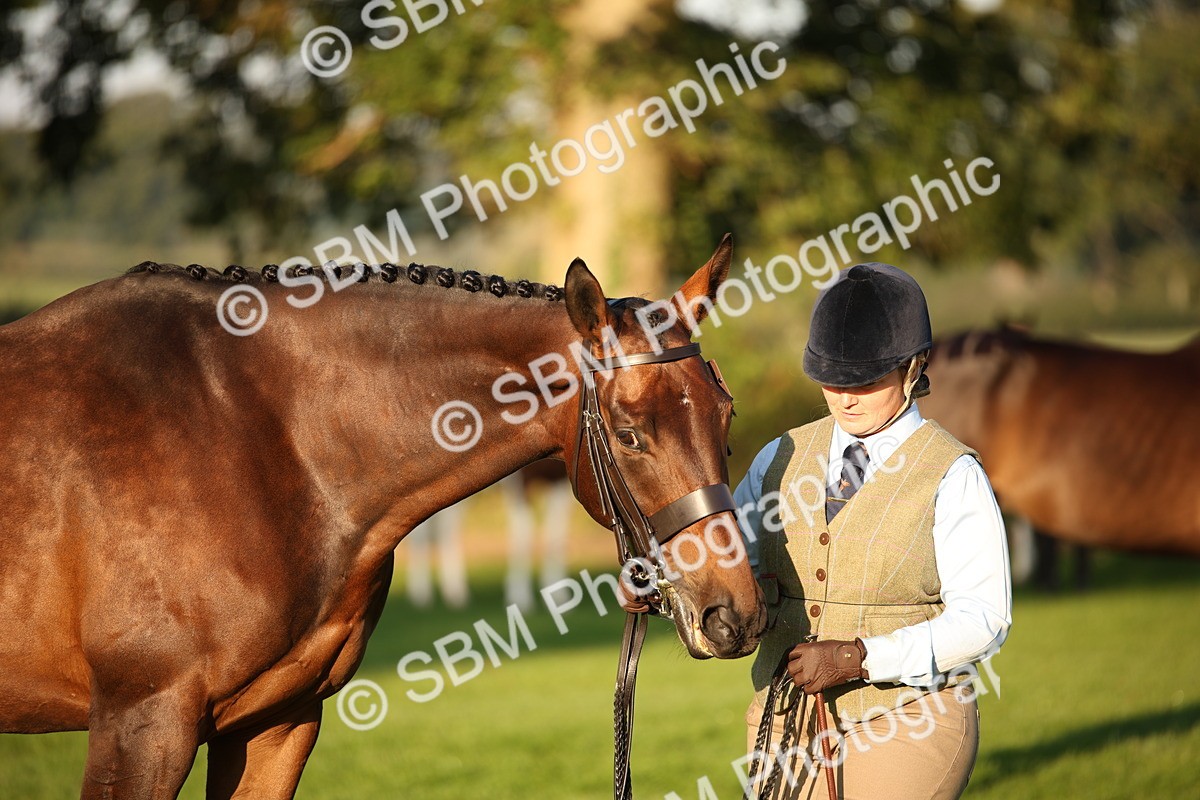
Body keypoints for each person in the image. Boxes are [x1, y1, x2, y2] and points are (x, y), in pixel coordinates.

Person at [732, 262, 1012, 799]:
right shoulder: (779, 458)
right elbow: (727, 559)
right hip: (784, 721)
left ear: (914, 368)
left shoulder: (953, 474)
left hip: (909, 718)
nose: (845, 396)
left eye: (865, 379)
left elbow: (984, 619)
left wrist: (859, 657)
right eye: (832, 377)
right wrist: (661, 583)